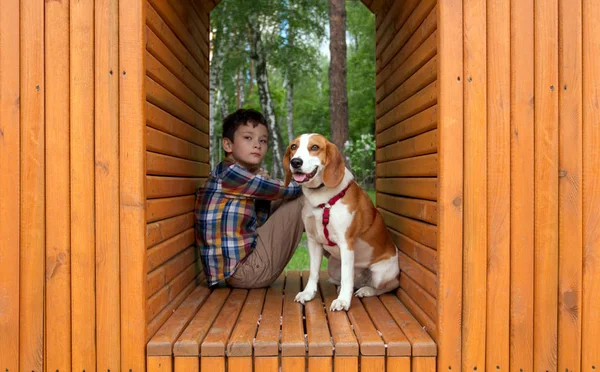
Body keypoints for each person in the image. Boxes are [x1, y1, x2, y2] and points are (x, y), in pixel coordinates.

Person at [195, 108, 304, 288]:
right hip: (244, 272)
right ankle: (345, 263)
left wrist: (260, 181)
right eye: (248, 138)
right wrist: (312, 179)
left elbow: (259, 219)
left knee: (297, 201)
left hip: (234, 272)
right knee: (305, 200)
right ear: (228, 145)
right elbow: (288, 190)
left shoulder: (230, 174)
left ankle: (341, 262)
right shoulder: (231, 176)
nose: (257, 145)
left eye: (263, 140)